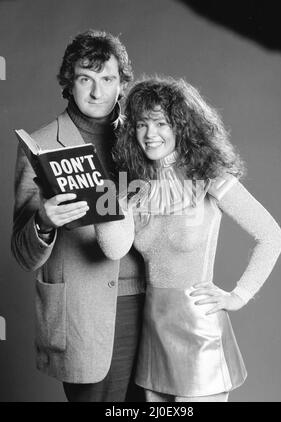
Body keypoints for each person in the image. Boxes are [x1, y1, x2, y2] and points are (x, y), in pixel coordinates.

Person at [94, 77, 281, 402]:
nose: (150, 134)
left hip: (198, 329)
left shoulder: (209, 176)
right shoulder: (132, 186)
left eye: (161, 123)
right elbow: (113, 248)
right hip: (153, 328)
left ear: (181, 125)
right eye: (141, 124)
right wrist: (103, 195)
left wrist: (239, 295)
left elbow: (271, 236)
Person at [11, 30, 146, 402]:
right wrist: (43, 222)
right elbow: (21, 252)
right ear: (69, 84)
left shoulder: (143, 139)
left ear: (122, 85)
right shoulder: (40, 145)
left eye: (108, 79)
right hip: (83, 317)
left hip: (151, 307)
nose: (97, 92)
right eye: (86, 78)